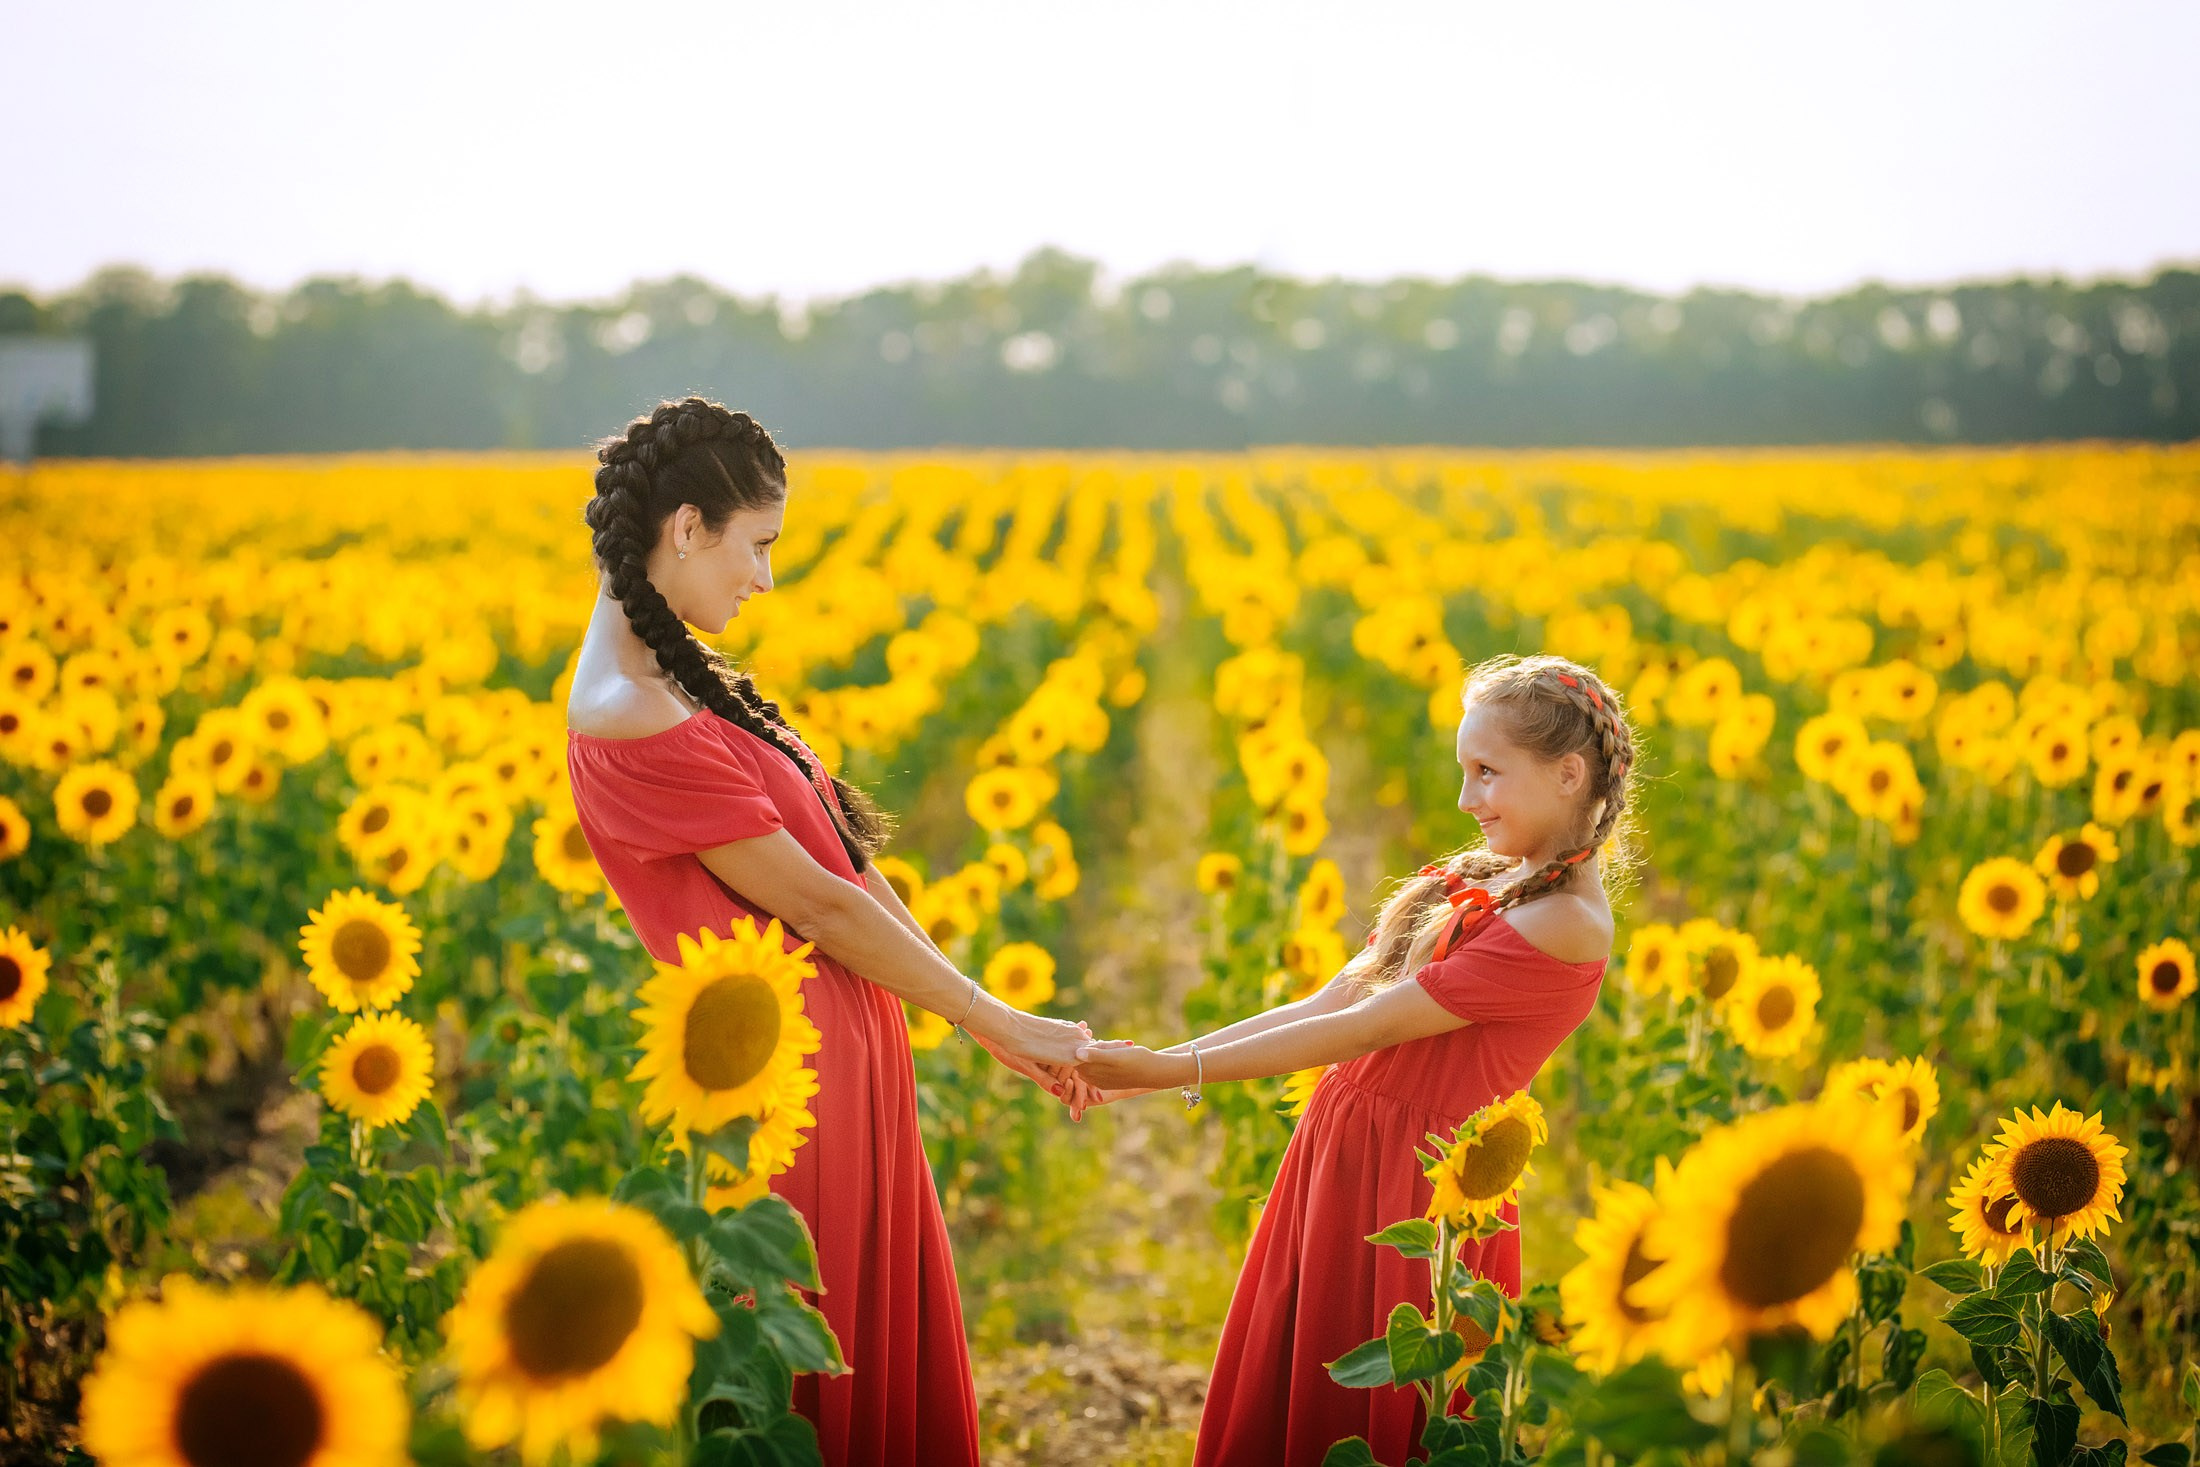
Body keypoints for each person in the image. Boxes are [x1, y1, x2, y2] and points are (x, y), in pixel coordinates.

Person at [561, 397, 1095, 1467]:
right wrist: (988, 1014)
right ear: (683, 529)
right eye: (754, 546)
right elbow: (815, 906)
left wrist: (982, 1022)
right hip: (783, 1084)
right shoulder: (630, 709)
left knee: (847, 1336)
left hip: (839, 1051)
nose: (762, 577)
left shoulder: (682, 682)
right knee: (807, 1364)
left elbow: (849, 874)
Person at [1072, 654, 1635, 1467]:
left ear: (1567, 774)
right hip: (1349, 1150)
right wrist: (1164, 1062)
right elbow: (1327, 1002)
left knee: (1372, 1407)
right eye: (1463, 771)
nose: (1465, 798)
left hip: (1423, 1185)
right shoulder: (1493, 878)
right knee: (1300, 1376)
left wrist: (1169, 1073)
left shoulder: (1567, 921)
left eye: (1486, 773)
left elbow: (1372, 1026)